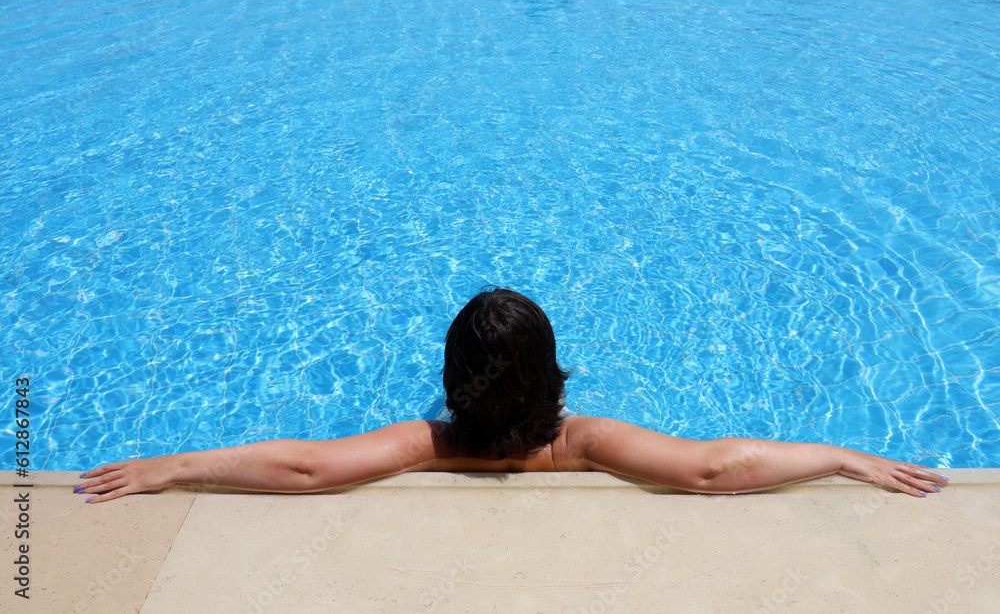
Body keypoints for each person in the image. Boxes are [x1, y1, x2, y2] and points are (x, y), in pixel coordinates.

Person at [76, 287, 947, 503]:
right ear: (553, 370)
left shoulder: (434, 443)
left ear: (456, 378)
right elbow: (713, 469)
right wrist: (842, 453)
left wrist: (174, 465)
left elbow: (308, 468)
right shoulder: (584, 442)